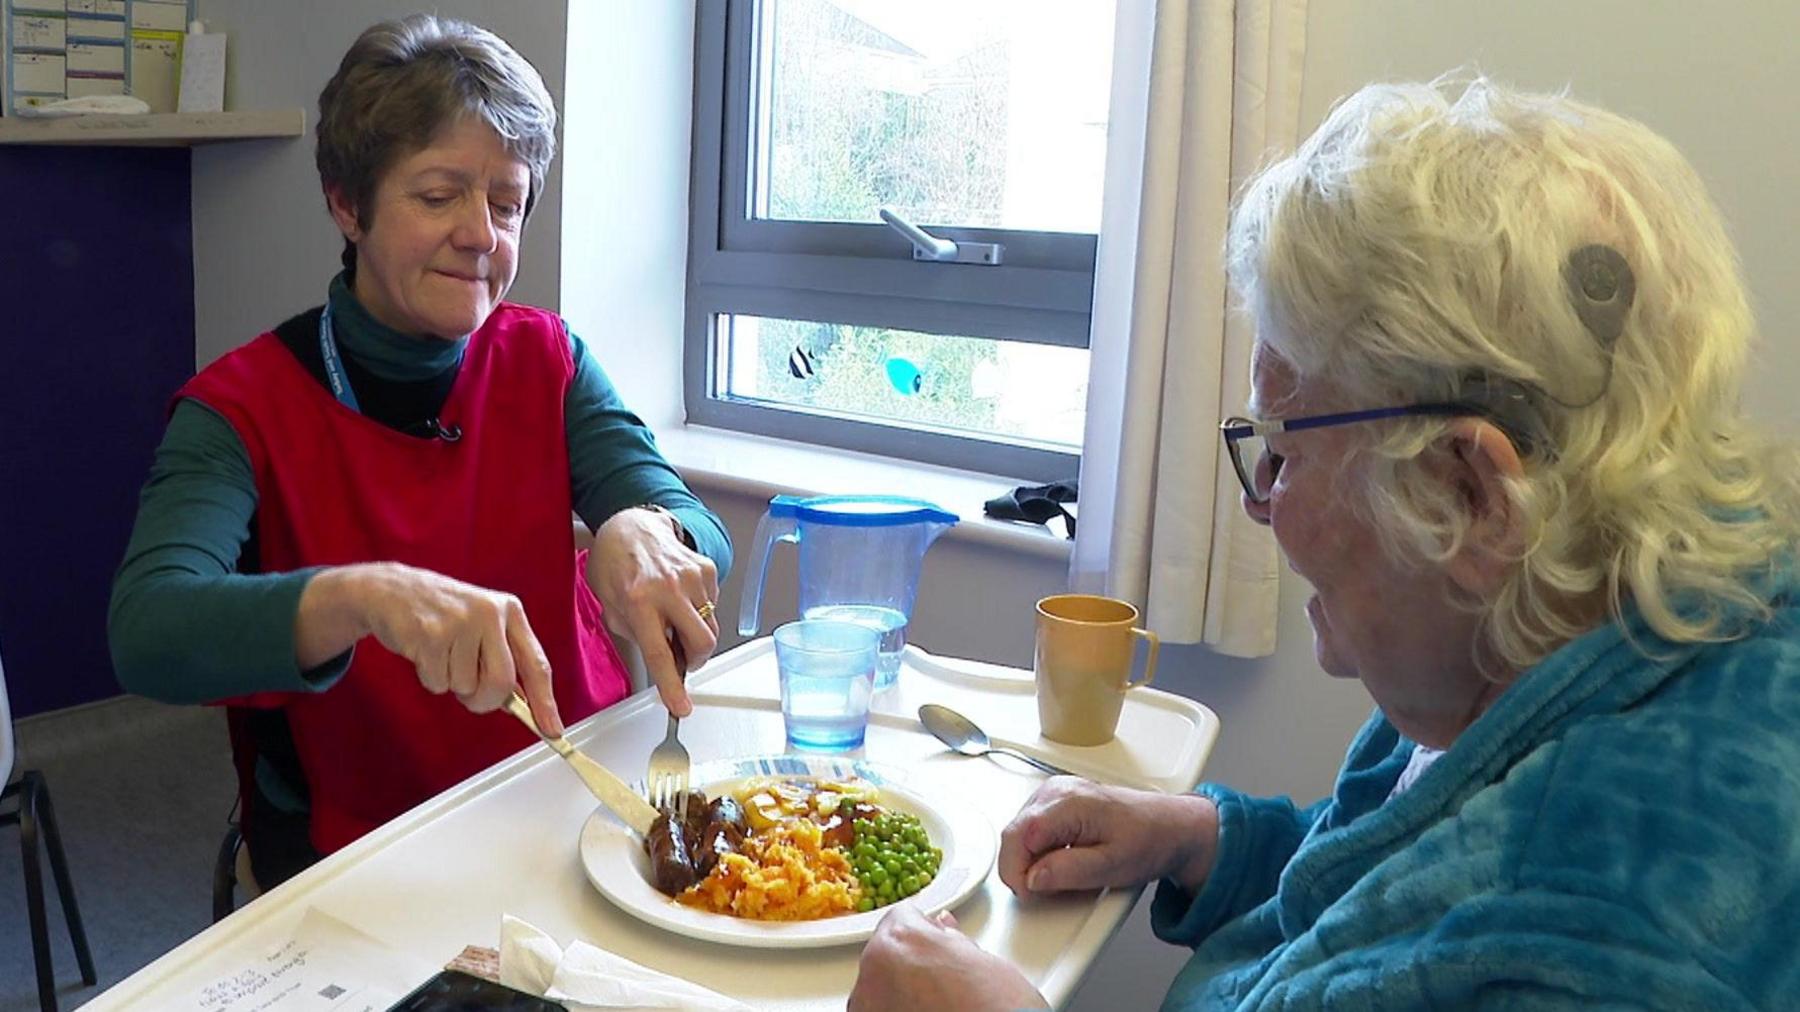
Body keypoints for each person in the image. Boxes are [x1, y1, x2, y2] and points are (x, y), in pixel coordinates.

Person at [850, 76, 1800, 1010]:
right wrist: (1196, 838)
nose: (1262, 505)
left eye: (1285, 451)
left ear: (1471, 494)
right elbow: (1378, 876)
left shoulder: (1603, 954)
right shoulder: (1550, 628)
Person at [108, 15, 731, 890]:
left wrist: (649, 528)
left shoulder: (548, 357)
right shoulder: (237, 409)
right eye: (439, 196)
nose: (482, 233)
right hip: (370, 852)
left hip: (581, 808)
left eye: (506, 203)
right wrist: (362, 595)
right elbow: (147, 632)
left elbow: (693, 523)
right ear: (346, 204)